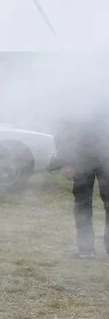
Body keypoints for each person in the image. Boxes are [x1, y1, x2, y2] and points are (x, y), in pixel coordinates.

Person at [58, 106, 109, 259]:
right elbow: (63, 131)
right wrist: (66, 162)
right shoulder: (77, 100)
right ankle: (86, 249)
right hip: (80, 159)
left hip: (106, 157)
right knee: (82, 204)